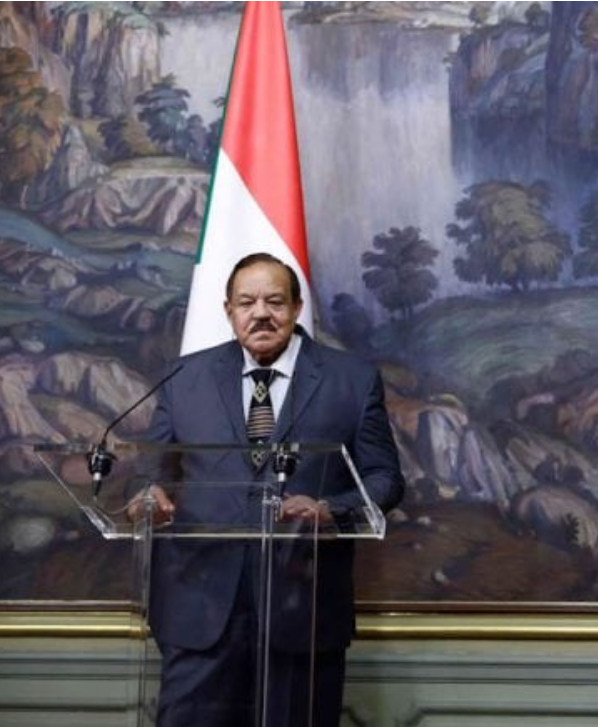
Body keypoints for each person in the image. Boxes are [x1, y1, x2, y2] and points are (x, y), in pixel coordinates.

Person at [131, 252, 405, 727]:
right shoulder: (183, 377)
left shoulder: (352, 380)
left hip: (303, 609)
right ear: (228, 311)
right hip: (199, 610)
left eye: (275, 302)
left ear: (297, 308)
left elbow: (385, 479)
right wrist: (149, 497)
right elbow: (150, 473)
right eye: (247, 302)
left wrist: (330, 509)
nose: (260, 313)